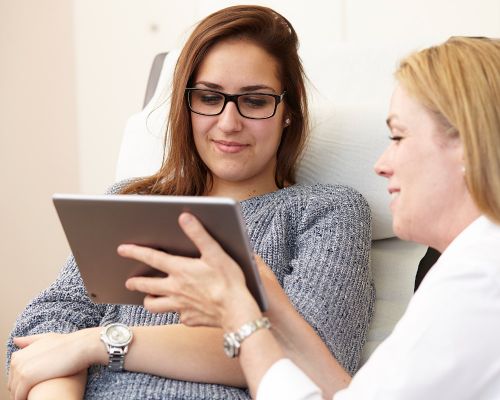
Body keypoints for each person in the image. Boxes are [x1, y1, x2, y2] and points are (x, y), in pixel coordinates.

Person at [7, 5, 374, 400]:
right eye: (209, 96)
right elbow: (44, 334)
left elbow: (305, 360)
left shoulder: (329, 212)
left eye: (254, 101)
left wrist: (101, 343)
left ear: (288, 112)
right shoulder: (132, 201)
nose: (229, 122)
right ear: (187, 104)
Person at [114, 36, 500, 399]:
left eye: (398, 137)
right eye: (209, 97)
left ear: (467, 145)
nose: (380, 165)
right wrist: (274, 311)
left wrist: (242, 319)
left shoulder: (477, 276)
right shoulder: (470, 265)